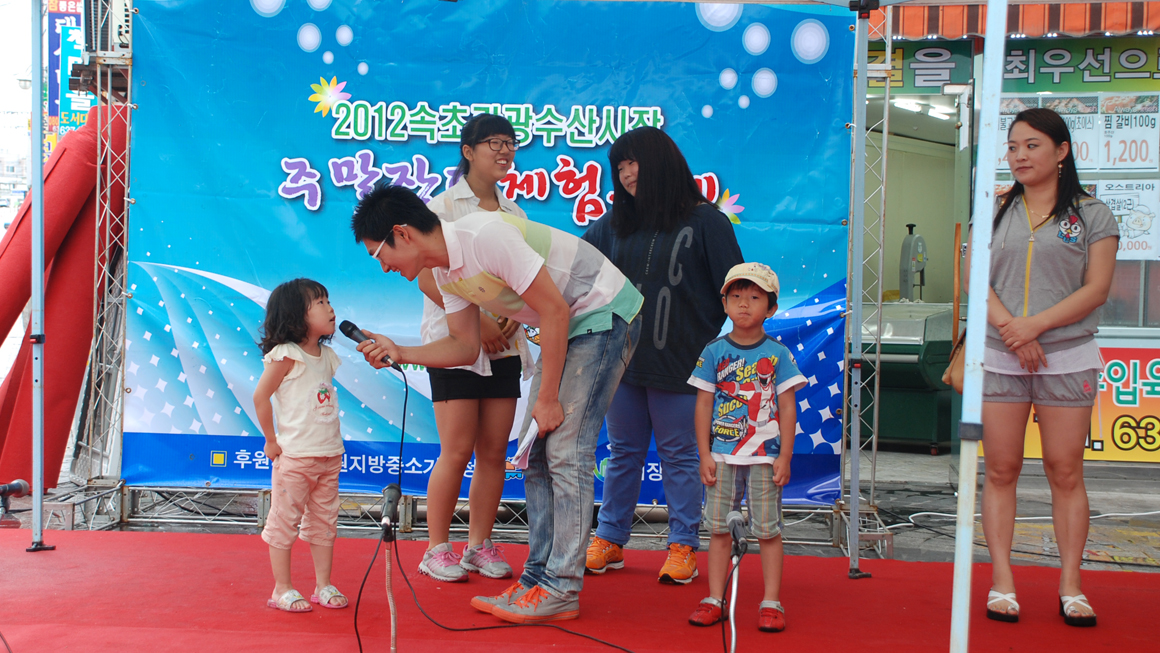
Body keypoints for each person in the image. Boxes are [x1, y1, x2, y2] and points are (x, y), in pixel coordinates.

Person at [350, 183, 642, 624]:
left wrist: (546, 400)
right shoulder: (447, 271)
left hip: (603, 314)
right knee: (536, 455)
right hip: (569, 326)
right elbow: (466, 348)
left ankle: (561, 588)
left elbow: (556, 312)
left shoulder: (483, 236)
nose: (384, 267)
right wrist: (402, 351)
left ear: (403, 233)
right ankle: (537, 581)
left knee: (564, 449)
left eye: (379, 255)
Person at [966, 108, 1117, 627]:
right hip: (1001, 352)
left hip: (1066, 355)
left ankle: (1072, 585)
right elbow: (974, 278)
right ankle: (1002, 581)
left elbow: (1096, 289)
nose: (1019, 156)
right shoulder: (992, 208)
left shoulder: (1094, 214)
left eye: (1031, 145)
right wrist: (1013, 328)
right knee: (1002, 470)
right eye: (1012, 147)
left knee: (1065, 470)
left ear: (1061, 150)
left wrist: (1036, 328)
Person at [581, 126, 743, 584]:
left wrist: (728, 355)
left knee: (681, 458)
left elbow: (736, 291)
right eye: (620, 167)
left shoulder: (707, 222)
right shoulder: (614, 225)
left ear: (662, 162)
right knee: (623, 453)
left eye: (634, 162)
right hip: (623, 365)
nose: (627, 174)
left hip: (685, 366)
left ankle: (682, 546)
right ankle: (610, 538)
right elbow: (572, 265)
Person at [413, 113, 533, 583]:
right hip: (454, 341)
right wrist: (478, 321)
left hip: (504, 345)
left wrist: (508, 318)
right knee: (456, 450)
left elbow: (526, 280)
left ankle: (478, 546)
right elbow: (425, 272)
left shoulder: (515, 214)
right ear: (468, 151)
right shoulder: (441, 208)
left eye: (510, 143)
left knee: (493, 451)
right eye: (494, 143)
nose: (504, 152)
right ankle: (436, 549)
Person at [686, 263, 803, 633]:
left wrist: (784, 455)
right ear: (724, 303)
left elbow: (787, 406)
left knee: (767, 530)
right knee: (719, 530)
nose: (744, 304)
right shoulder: (714, 351)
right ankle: (715, 599)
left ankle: (771, 601)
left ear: (770, 308)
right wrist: (704, 453)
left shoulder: (779, 355)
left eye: (754, 297)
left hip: (765, 458)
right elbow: (704, 403)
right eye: (735, 296)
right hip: (721, 457)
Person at [252, 278, 349, 613]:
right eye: (320, 302)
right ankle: (282, 588)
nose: (330, 308)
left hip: (329, 456)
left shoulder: (328, 355)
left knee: (325, 522)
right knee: (285, 522)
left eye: (328, 300)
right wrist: (271, 440)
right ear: (296, 315)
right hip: (295, 458)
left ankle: (323, 585)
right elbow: (261, 396)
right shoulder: (286, 355)